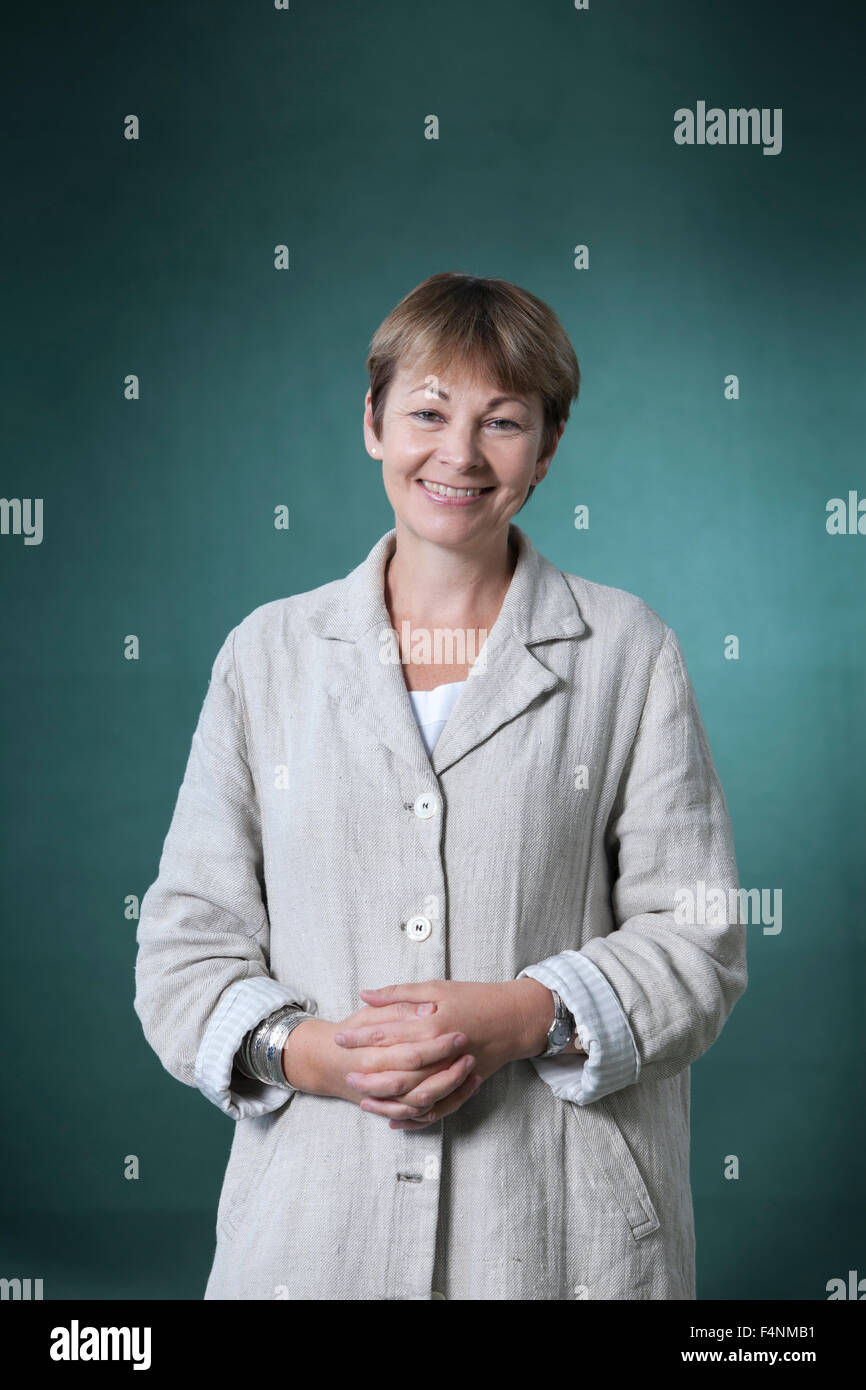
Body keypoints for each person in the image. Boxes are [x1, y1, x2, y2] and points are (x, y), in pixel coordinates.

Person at [134, 271, 747, 1300]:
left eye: (501, 422)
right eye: (427, 411)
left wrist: (524, 1016)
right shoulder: (266, 656)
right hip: (312, 1242)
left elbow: (696, 939)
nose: (457, 455)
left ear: (546, 450)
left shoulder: (625, 649)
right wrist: (313, 1054)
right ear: (372, 420)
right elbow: (184, 945)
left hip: (562, 1243)